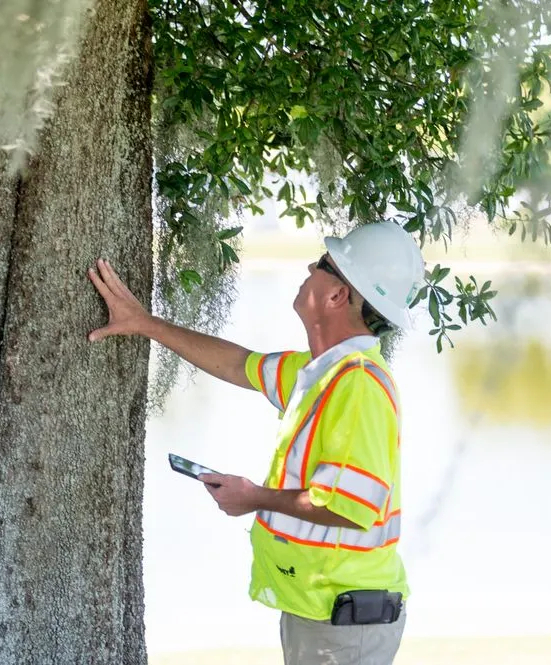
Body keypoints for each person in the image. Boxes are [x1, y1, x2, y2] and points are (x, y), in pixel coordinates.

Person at [87, 221, 425, 665]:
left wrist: (254, 497)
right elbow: (238, 364)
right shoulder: (322, 373)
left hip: (342, 623)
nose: (310, 266)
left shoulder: (357, 385)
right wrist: (147, 324)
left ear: (338, 295)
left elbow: (349, 506)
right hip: (324, 612)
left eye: (323, 264)